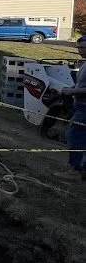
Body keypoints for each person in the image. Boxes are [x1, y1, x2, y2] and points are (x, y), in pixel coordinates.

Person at [56, 34, 86, 182]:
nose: (80, 50)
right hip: (80, 105)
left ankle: (75, 169)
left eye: (83, 48)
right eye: (78, 47)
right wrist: (73, 87)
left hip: (84, 109)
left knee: (74, 135)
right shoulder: (84, 64)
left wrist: (72, 91)